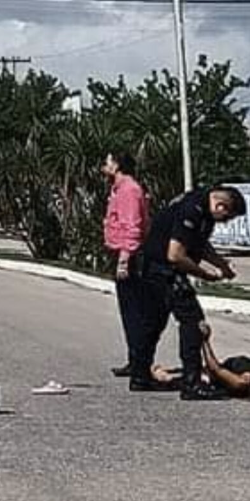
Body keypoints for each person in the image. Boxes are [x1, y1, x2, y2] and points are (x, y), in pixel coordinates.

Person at [132, 185, 246, 399]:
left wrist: (222, 265)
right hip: (162, 269)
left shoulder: (203, 209)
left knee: (153, 323)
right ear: (220, 205)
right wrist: (205, 274)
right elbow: (175, 254)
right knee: (193, 323)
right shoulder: (192, 209)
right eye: (227, 217)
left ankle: (140, 377)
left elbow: (199, 244)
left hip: (154, 267)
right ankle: (192, 384)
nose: (225, 222)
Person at [103, 151, 152, 380]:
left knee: (133, 311)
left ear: (118, 165)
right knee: (129, 310)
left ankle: (139, 362)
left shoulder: (129, 190)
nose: (105, 165)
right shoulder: (119, 189)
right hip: (123, 252)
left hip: (130, 256)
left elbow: (133, 226)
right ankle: (135, 359)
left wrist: (124, 259)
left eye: (109, 161)